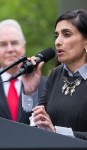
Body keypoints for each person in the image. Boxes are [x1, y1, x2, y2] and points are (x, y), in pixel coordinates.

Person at [21, 9, 87, 140]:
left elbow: (52, 129)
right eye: (56, 36)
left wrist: (57, 131)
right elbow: (32, 128)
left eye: (66, 34)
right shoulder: (55, 75)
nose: (58, 42)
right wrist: (30, 92)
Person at [0, 19, 47, 123]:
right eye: (3, 44)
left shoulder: (47, 85)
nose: (10, 49)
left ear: (23, 47)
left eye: (14, 43)